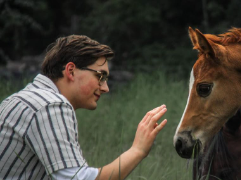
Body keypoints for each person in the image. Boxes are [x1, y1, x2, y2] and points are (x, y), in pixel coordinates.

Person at [0, 35, 168, 180]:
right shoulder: (51, 105)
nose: (106, 88)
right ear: (71, 71)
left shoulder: (19, 100)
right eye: (100, 76)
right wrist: (138, 150)